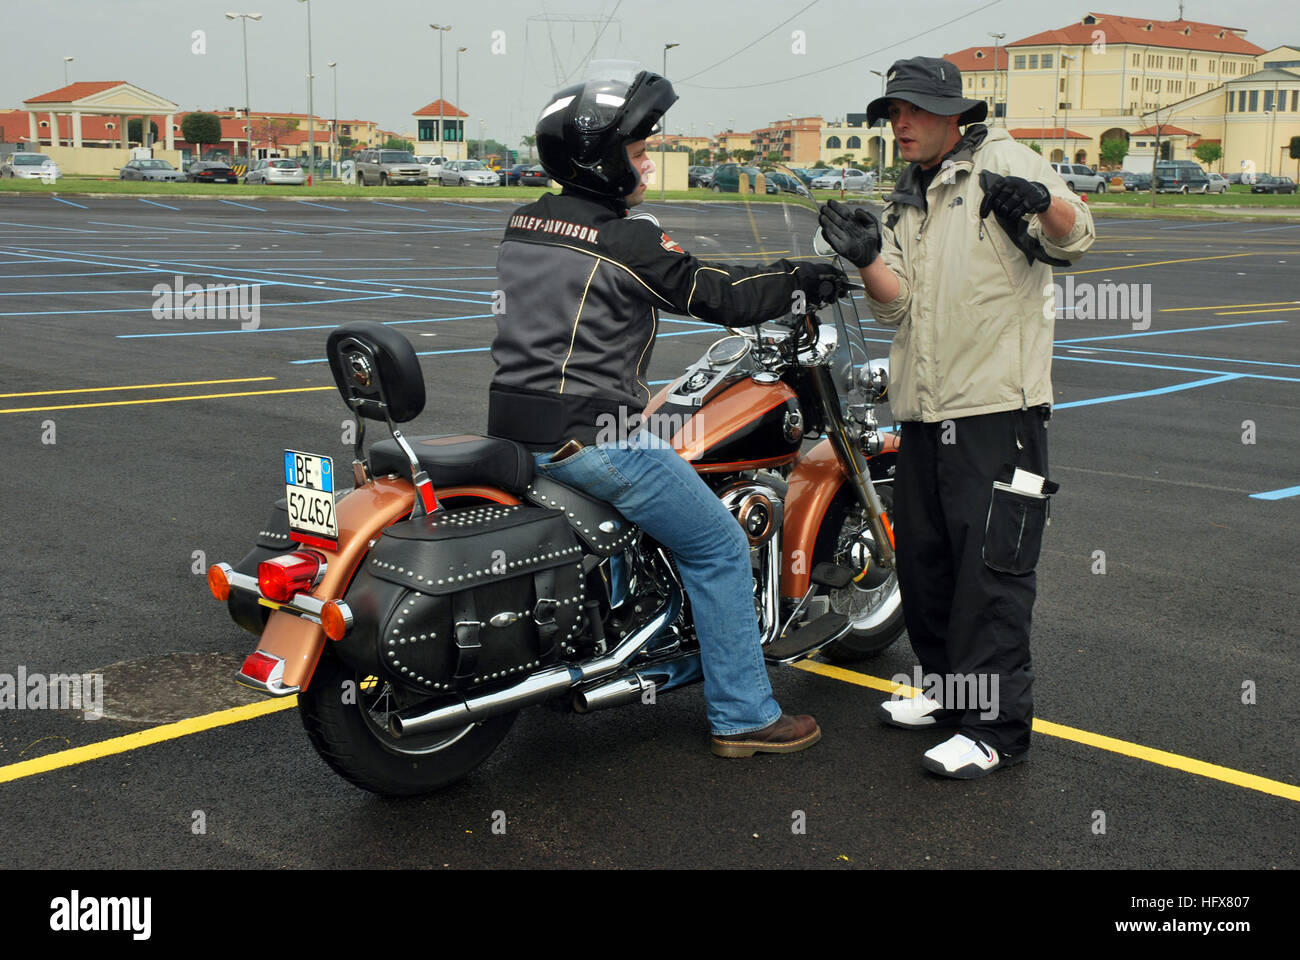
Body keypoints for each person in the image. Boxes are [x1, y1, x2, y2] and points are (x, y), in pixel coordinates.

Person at [488, 63, 844, 757]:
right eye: (639, 150)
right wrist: (799, 278)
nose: (646, 163)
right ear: (600, 159)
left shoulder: (527, 219)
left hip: (515, 427)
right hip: (592, 437)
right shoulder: (622, 238)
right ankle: (745, 716)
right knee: (716, 545)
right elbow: (716, 295)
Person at [818, 56, 1094, 778]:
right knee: (928, 565)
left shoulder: (1005, 162)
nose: (898, 125)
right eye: (891, 114)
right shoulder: (910, 192)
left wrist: (1040, 203)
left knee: (990, 576)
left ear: (951, 113)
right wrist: (869, 257)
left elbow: (1077, 237)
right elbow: (898, 304)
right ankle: (948, 697)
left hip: (997, 411)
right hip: (923, 411)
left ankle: (995, 731)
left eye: (910, 111)